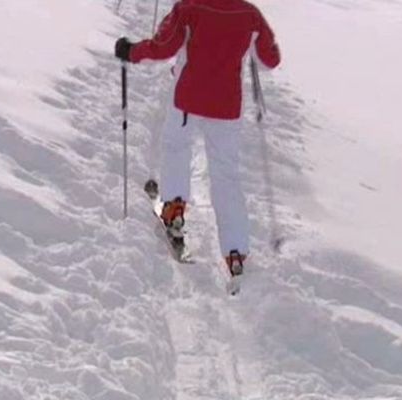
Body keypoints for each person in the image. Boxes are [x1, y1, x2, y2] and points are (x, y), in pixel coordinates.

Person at [115, 0, 281, 276]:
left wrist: (131, 52)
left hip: (188, 98)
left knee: (176, 146)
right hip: (227, 107)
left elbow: (163, 46)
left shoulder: (189, 9)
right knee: (226, 175)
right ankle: (235, 251)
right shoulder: (249, 14)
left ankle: (174, 209)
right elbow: (269, 60)